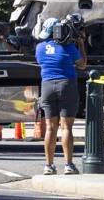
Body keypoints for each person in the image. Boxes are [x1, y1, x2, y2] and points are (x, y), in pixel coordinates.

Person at [35, 17, 87, 175]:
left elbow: (42, 62)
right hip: (66, 84)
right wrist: (81, 44)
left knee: (50, 128)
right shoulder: (70, 47)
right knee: (66, 127)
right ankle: (68, 164)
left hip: (47, 86)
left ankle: (48, 166)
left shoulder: (40, 48)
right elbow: (82, 64)